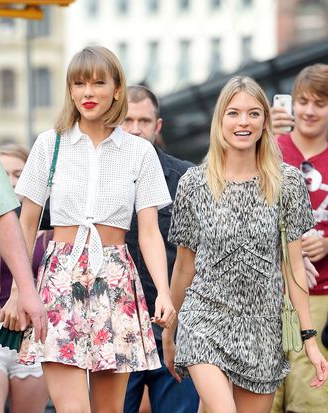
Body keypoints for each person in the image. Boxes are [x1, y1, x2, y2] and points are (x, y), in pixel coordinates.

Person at [0, 46, 175, 412]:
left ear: (116, 89)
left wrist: (163, 290)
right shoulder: (51, 143)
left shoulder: (138, 153)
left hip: (116, 280)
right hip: (60, 279)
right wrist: (20, 290)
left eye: (97, 83)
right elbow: (26, 222)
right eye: (79, 84)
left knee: (110, 410)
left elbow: (148, 231)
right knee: (72, 408)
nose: (87, 93)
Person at [162, 75, 328, 413]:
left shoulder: (288, 182)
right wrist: (171, 328)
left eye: (253, 113)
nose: (243, 122)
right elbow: (184, 264)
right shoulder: (194, 183)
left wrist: (309, 339)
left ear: (265, 121)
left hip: (262, 327)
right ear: (219, 119)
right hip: (204, 320)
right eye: (234, 113)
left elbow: (294, 267)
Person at [121, 85, 199, 413]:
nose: (136, 129)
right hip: (117, 328)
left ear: (158, 126)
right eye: (127, 120)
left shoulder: (187, 179)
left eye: (144, 120)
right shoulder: (97, 180)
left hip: (175, 326)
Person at [270, 63, 328, 413]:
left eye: (319, 103)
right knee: (261, 394)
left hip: (321, 294)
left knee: (310, 398)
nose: (308, 110)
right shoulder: (269, 150)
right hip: (267, 293)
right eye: (302, 101)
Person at [0, 144, 50, 413]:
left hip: (33, 333)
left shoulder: (50, 230)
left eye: (18, 173)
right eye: (3, 174)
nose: (10, 181)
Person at [0, 160, 47, 344]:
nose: (11, 181)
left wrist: (21, 291)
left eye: (18, 175)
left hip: (26, 323)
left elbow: (4, 215)